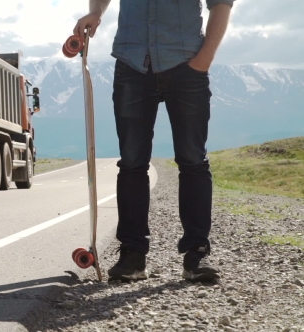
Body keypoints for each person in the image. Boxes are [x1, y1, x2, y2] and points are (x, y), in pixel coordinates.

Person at [73, 0, 234, 282]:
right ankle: (133, 256)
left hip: (187, 64)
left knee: (193, 160)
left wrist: (203, 60)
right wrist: (95, 13)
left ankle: (196, 254)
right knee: (133, 163)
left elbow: (222, 3)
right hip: (131, 63)